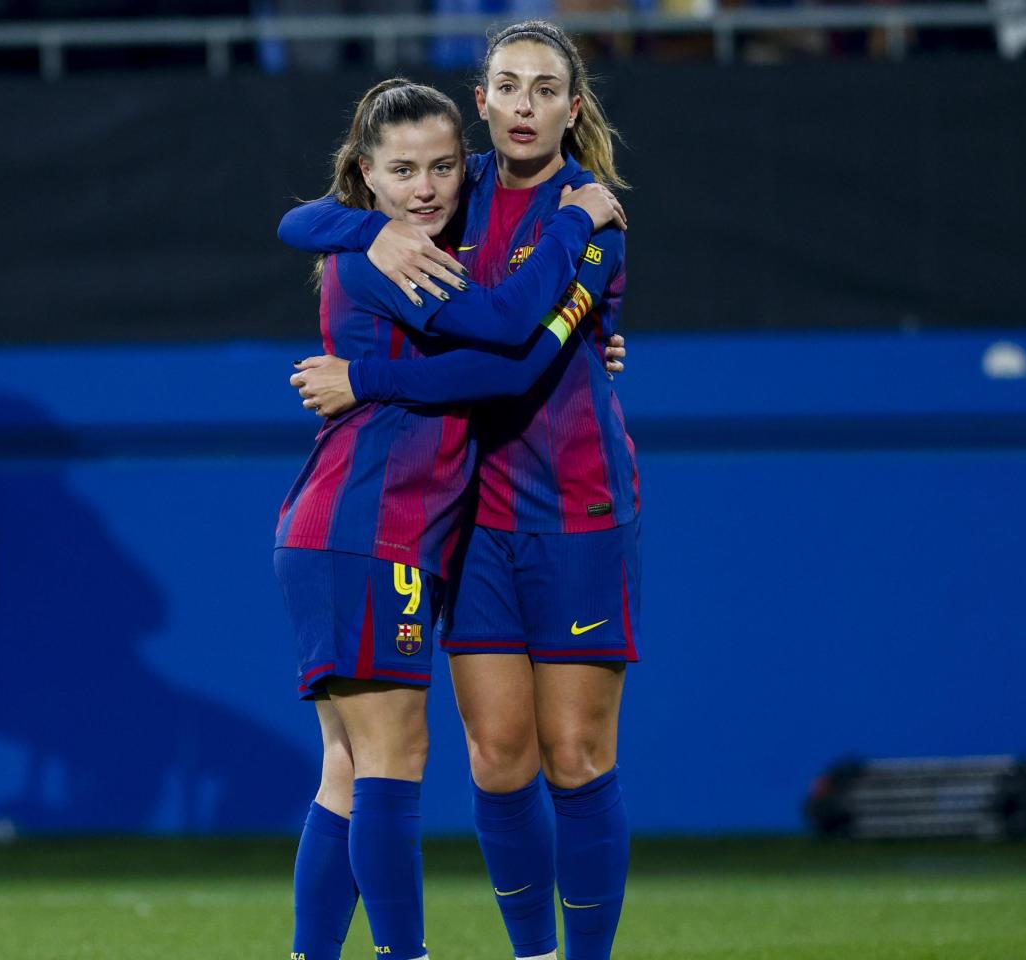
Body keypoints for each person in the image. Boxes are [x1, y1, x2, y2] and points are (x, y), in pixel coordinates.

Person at [278, 20, 640, 960]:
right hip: (467, 518)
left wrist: (367, 380)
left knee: (575, 755)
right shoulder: (450, 190)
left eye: (545, 88)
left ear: (572, 105)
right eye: (508, 86)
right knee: (496, 758)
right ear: (481, 102)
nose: (525, 105)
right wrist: (371, 227)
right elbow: (302, 217)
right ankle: (531, 954)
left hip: (573, 506)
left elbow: (516, 363)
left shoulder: (589, 216)